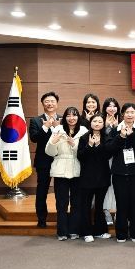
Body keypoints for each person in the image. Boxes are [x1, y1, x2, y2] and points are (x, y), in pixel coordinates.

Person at [105, 103, 135, 242]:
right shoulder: (115, 130)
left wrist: (132, 135)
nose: (130, 115)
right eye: (127, 112)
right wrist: (121, 137)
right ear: (122, 114)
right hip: (119, 173)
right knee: (121, 204)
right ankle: (121, 234)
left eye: (132, 112)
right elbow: (109, 149)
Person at [45, 106, 89, 240]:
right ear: (64, 117)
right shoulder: (58, 130)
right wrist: (53, 142)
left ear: (78, 117)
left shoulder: (84, 131)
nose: (71, 118)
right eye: (68, 115)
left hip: (78, 170)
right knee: (61, 203)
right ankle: (62, 232)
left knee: (77, 202)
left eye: (74, 115)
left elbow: (85, 153)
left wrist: (73, 145)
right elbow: (50, 152)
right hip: (60, 170)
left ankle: (74, 230)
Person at [77, 113, 112, 242]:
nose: (97, 124)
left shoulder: (107, 137)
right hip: (87, 177)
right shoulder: (84, 137)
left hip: (102, 176)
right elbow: (80, 156)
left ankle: (99, 231)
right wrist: (90, 145)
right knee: (86, 205)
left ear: (104, 124)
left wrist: (98, 145)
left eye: (100, 121)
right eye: (95, 121)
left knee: (99, 205)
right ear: (90, 123)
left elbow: (107, 155)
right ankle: (86, 232)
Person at [29, 91, 61, 228]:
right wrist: (46, 127)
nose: (50, 104)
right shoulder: (35, 121)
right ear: (43, 104)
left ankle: (62, 219)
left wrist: (57, 127)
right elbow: (34, 138)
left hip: (60, 160)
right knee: (42, 191)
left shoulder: (63, 119)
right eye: (47, 101)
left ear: (57, 104)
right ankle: (41, 219)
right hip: (43, 161)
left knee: (61, 192)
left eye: (52, 101)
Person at [101, 97, 120, 226]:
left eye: (114, 106)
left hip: (118, 158)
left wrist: (117, 127)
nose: (112, 108)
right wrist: (106, 126)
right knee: (107, 185)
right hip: (105, 159)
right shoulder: (100, 120)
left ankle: (119, 211)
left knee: (118, 185)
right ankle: (106, 211)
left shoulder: (122, 121)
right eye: (109, 106)